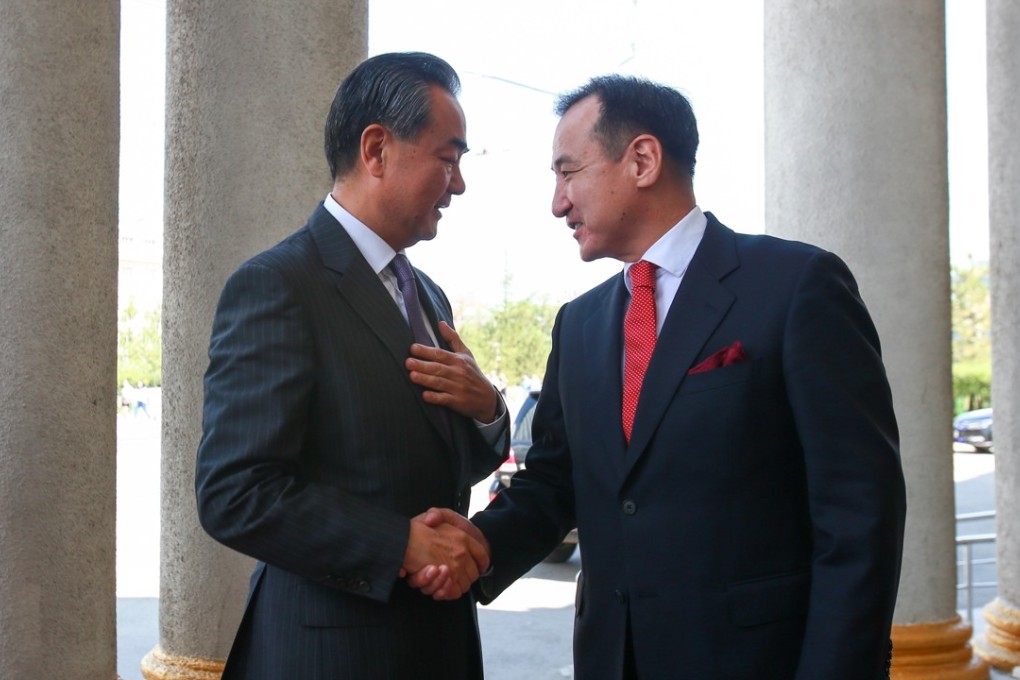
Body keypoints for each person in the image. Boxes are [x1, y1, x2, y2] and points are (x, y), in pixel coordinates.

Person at [414, 75, 907, 679]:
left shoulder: (797, 287)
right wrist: (479, 545)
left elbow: (859, 515)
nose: (557, 203)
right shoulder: (580, 325)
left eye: (568, 173)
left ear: (643, 160)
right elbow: (553, 484)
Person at [194, 52, 507, 680]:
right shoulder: (279, 284)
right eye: (449, 159)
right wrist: (402, 544)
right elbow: (235, 493)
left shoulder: (428, 294)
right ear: (376, 149)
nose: (460, 184)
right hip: (330, 653)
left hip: (437, 646)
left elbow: (443, 465)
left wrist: (487, 410)